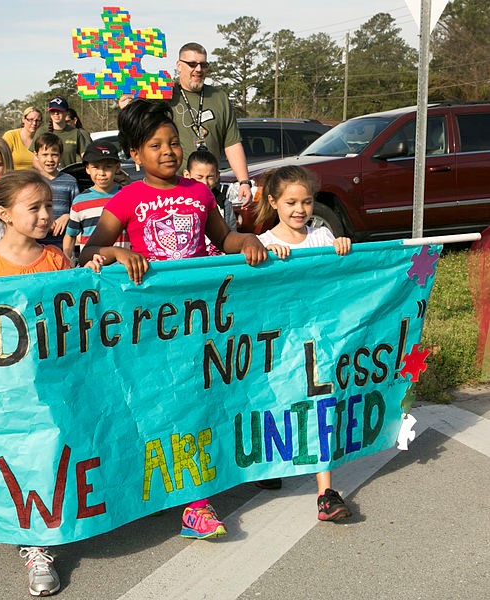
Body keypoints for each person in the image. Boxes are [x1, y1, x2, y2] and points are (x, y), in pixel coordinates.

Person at [79, 99, 268, 539]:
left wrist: (249, 241)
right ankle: (155, 487)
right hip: (146, 328)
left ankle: (195, 503)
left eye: (173, 142)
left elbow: (225, 240)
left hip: (197, 324)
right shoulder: (127, 198)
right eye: (155, 145)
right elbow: (88, 252)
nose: (168, 151)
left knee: (190, 405)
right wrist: (116, 251)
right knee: (154, 407)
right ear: (135, 154)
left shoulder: (200, 193)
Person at [0, 170, 102, 597]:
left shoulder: (57, 259)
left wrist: (90, 276)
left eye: (49, 207)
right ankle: (29, 535)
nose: (46, 216)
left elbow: (76, 316)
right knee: (12, 458)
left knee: (46, 455)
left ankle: (40, 544)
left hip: (48, 384)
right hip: (0, 386)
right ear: (3, 213)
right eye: (34, 208)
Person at [253, 164, 353, 522]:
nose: (300, 210)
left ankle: (326, 492)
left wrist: (342, 248)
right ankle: (273, 465)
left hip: (319, 339)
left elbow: (341, 279)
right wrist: (267, 263)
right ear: (273, 202)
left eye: (307, 202)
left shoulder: (323, 239)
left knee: (320, 405)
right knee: (278, 400)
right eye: (291, 202)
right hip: (280, 343)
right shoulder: (263, 244)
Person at [169, 42, 253, 205]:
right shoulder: (165, 95)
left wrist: (244, 181)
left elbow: (232, 143)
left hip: (210, 189)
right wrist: (127, 107)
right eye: (192, 64)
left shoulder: (218, 97)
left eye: (203, 65)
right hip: (174, 188)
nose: (198, 69)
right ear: (179, 66)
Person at [62, 141, 129, 262]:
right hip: (93, 268)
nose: (101, 173)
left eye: (108, 167)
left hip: (124, 267)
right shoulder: (79, 202)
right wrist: (67, 260)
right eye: (95, 167)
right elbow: (70, 235)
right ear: (87, 169)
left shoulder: (128, 196)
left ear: (117, 167)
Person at [34, 132, 78, 249]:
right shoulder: (31, 182)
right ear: (36, 155)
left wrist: (67, 216)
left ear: (61, 155)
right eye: (45, 154)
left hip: (63, 245)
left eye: (54, 155)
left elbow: (77, 210)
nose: (50, 159)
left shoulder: (70, 181)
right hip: (36, 245)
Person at [183, 149, 226, 255]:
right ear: (187, 175)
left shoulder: (223, 203)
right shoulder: (180, 203)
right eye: (199, 177)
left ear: (217, 176)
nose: (204, 182)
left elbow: (229, 233)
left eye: (210, 177)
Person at [32, 97, 91, 169]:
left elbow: (86, 158)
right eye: (53, 111)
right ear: (50, 113)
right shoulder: (41, 131)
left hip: (68, 176)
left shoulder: (76, 133)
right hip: (46, 177)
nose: (56, 113)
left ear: (66, 112)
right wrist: (45, 174)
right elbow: (35, 159)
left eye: (59, 111)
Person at [2, 106, 42, 171]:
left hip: (36, 179)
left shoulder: (41, 139)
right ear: (23, 119)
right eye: (30, 120)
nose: (34, 123)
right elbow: (1, 161)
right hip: (14, 178)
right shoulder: (10, 136)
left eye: (37, 120)